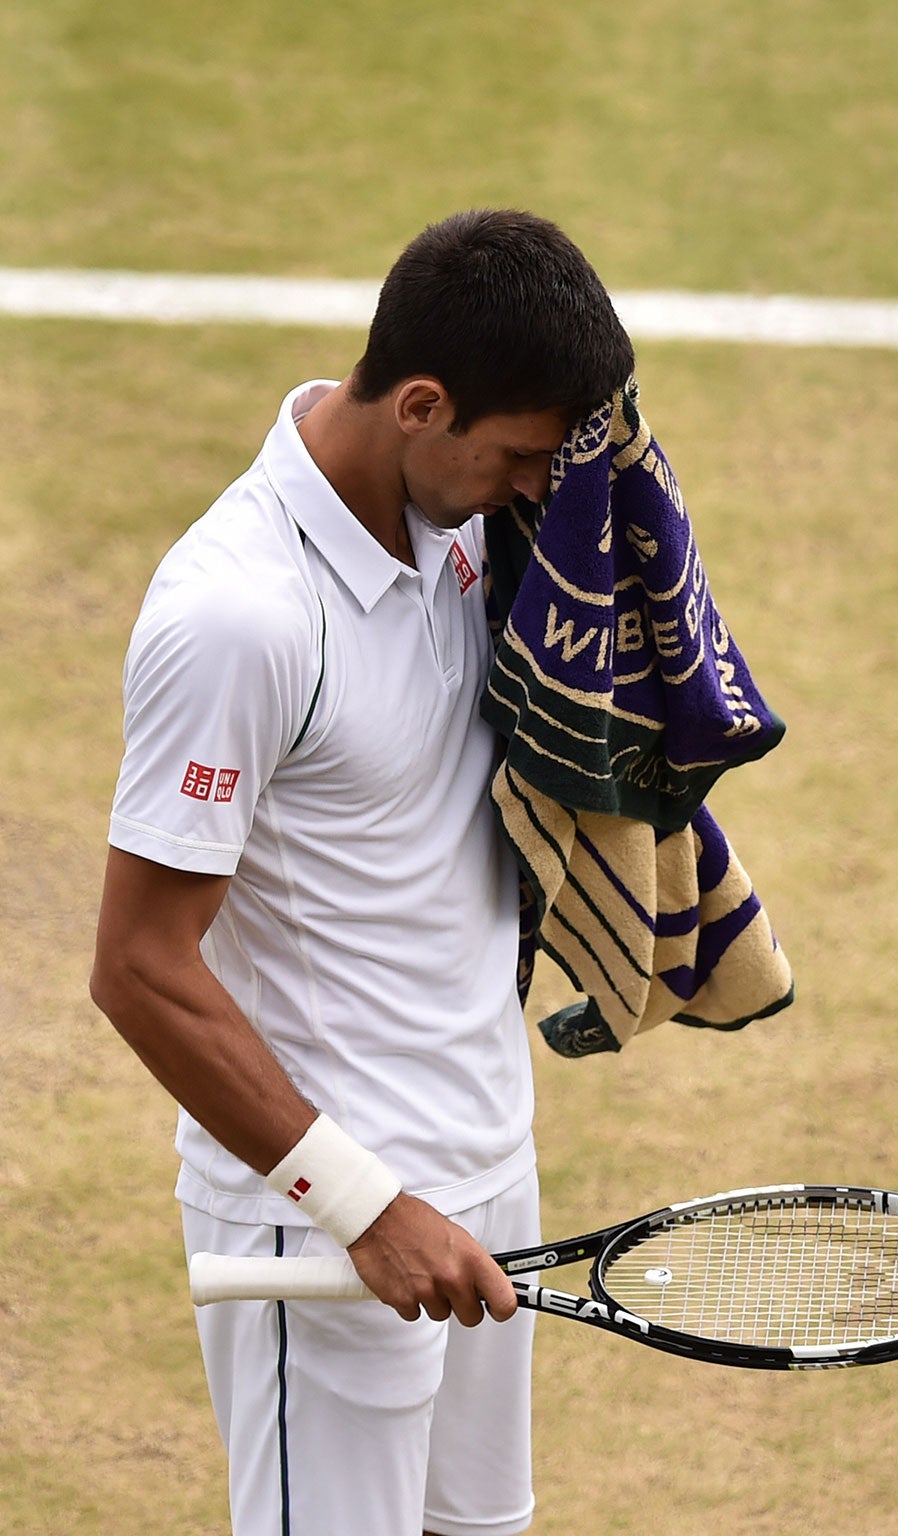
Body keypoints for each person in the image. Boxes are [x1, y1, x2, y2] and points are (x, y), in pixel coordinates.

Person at [90, 209, 635, 1536]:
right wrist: (363, 1203)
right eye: (513, 457)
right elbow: (139, 970)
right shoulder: (238, 618)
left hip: (487, 1172)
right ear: (423, 404)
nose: (531, 491)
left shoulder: (473, 526)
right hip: (324, 1223)